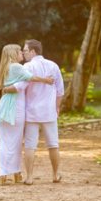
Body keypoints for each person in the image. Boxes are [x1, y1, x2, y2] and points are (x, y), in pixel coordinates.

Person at [0, 44, 55, 185]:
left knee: (6, 141)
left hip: (6, 105)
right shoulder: (16, 67)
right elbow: (30, 78)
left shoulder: (6, 67)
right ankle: (13, 172)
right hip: (15, 107)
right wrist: (47, 80)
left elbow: (18, 84)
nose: (22, 53)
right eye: (20, 51)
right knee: (15, 142)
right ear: (13, 53)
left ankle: (6, 173)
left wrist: (9, 88)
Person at [21, 39, 65, 185]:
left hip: (31, 111)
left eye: (25, 50)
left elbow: (22, 87)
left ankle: (29, 177)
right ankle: (55, 174)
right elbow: (60, 91)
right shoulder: (53, 65)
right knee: (53, 144)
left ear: (33, 51)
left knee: (30, 145)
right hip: (49, 110)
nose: (24, 53)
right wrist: (57, 107)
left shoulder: (27, 66)